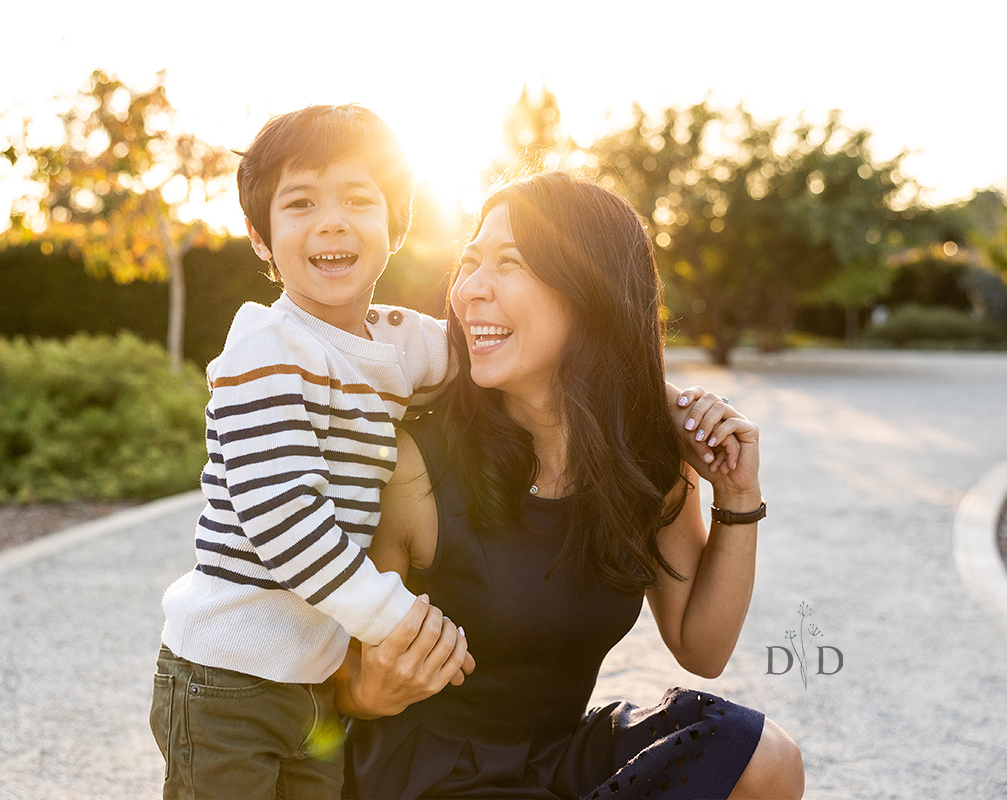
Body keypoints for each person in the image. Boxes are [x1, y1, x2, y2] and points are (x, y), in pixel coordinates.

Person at [336, 172, 805, 799]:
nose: (471, 290)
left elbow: (703, 647)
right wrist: (365, 692)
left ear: (589, 290)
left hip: (556, 757)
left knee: (764, 761)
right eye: (469, 263)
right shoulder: (418, 466)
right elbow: (324, 664)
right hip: (435, 776)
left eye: (509, 263)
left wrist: (738, 498)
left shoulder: (644, 464)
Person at [150, 105, 470, 800]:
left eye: (359, 199)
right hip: (224, 681)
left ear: (394, 227)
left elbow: (494, 360)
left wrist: (654, 394)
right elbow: (283, 519)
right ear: (261, 241)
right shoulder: (268, 348)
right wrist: (397, 619)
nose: (332, 220)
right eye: (300, 204)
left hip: (314, 684)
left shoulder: (396, 343)